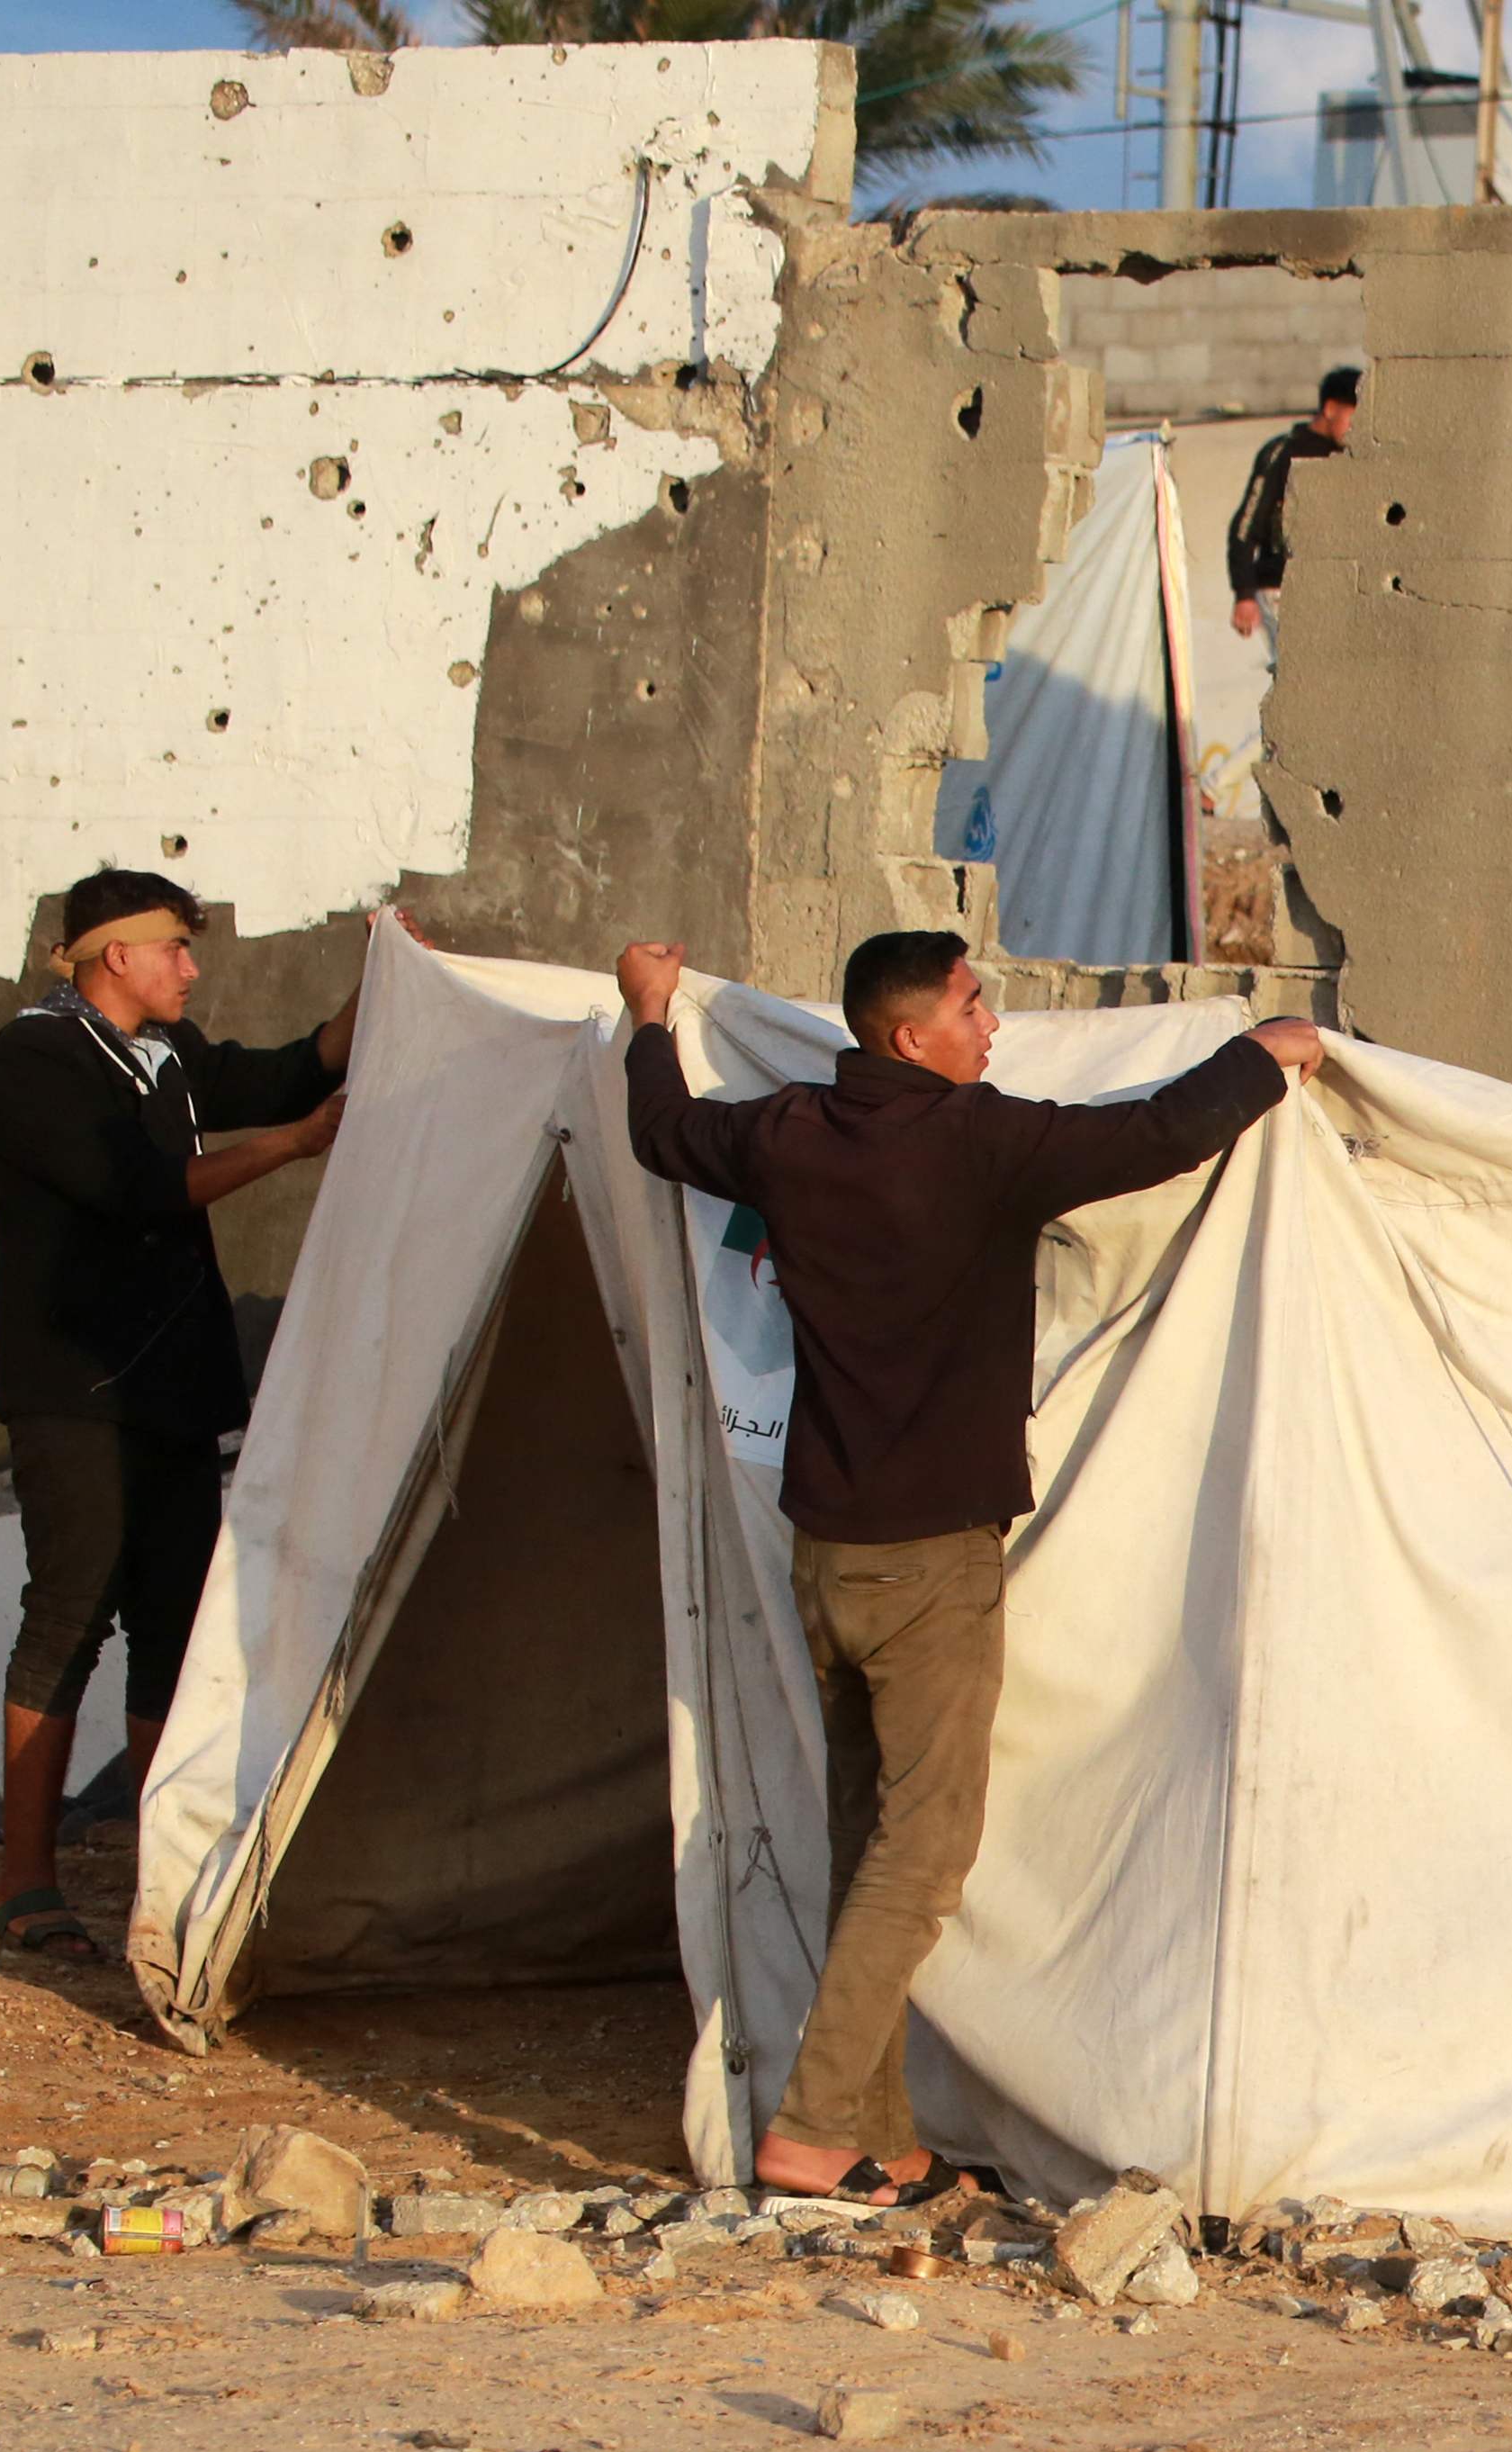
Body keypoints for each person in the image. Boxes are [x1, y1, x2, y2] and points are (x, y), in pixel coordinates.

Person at [618, 928, 1325, 2203]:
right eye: (969, 1003)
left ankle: (880, 2137)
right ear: (911, 1039)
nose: (989, 1021)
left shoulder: (785, 1134)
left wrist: (647, 1018)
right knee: (925, 1855)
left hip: (826, 1557)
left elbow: (663, 1134)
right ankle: (816, 2122)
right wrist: (1267, 1057)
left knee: (864, 1841)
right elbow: (1153, 1136)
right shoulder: (976, 1143)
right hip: (928, 1563)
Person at [0, 868, 356, 1956]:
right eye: (175, 948)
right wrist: (288, 1146)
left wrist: (375, 997)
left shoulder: (164, 1053)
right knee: (71, 1614)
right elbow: (135, 1187)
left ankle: (164, 1880)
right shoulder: (36, 1059)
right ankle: (22, 1881)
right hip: (76, 1392)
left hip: (174, 1387)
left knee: (173, 1629)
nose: (190, 967)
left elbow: (277, 1071)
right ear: (114, 957)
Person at [1224, 366, 1362, 638]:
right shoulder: (1283, 453)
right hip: (1281, 587)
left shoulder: (1356, 458)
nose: (1360, 428)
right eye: (1355, 417)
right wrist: (1244, 593)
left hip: (1337, 588)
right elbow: (1246, 525)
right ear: (1331, 408)